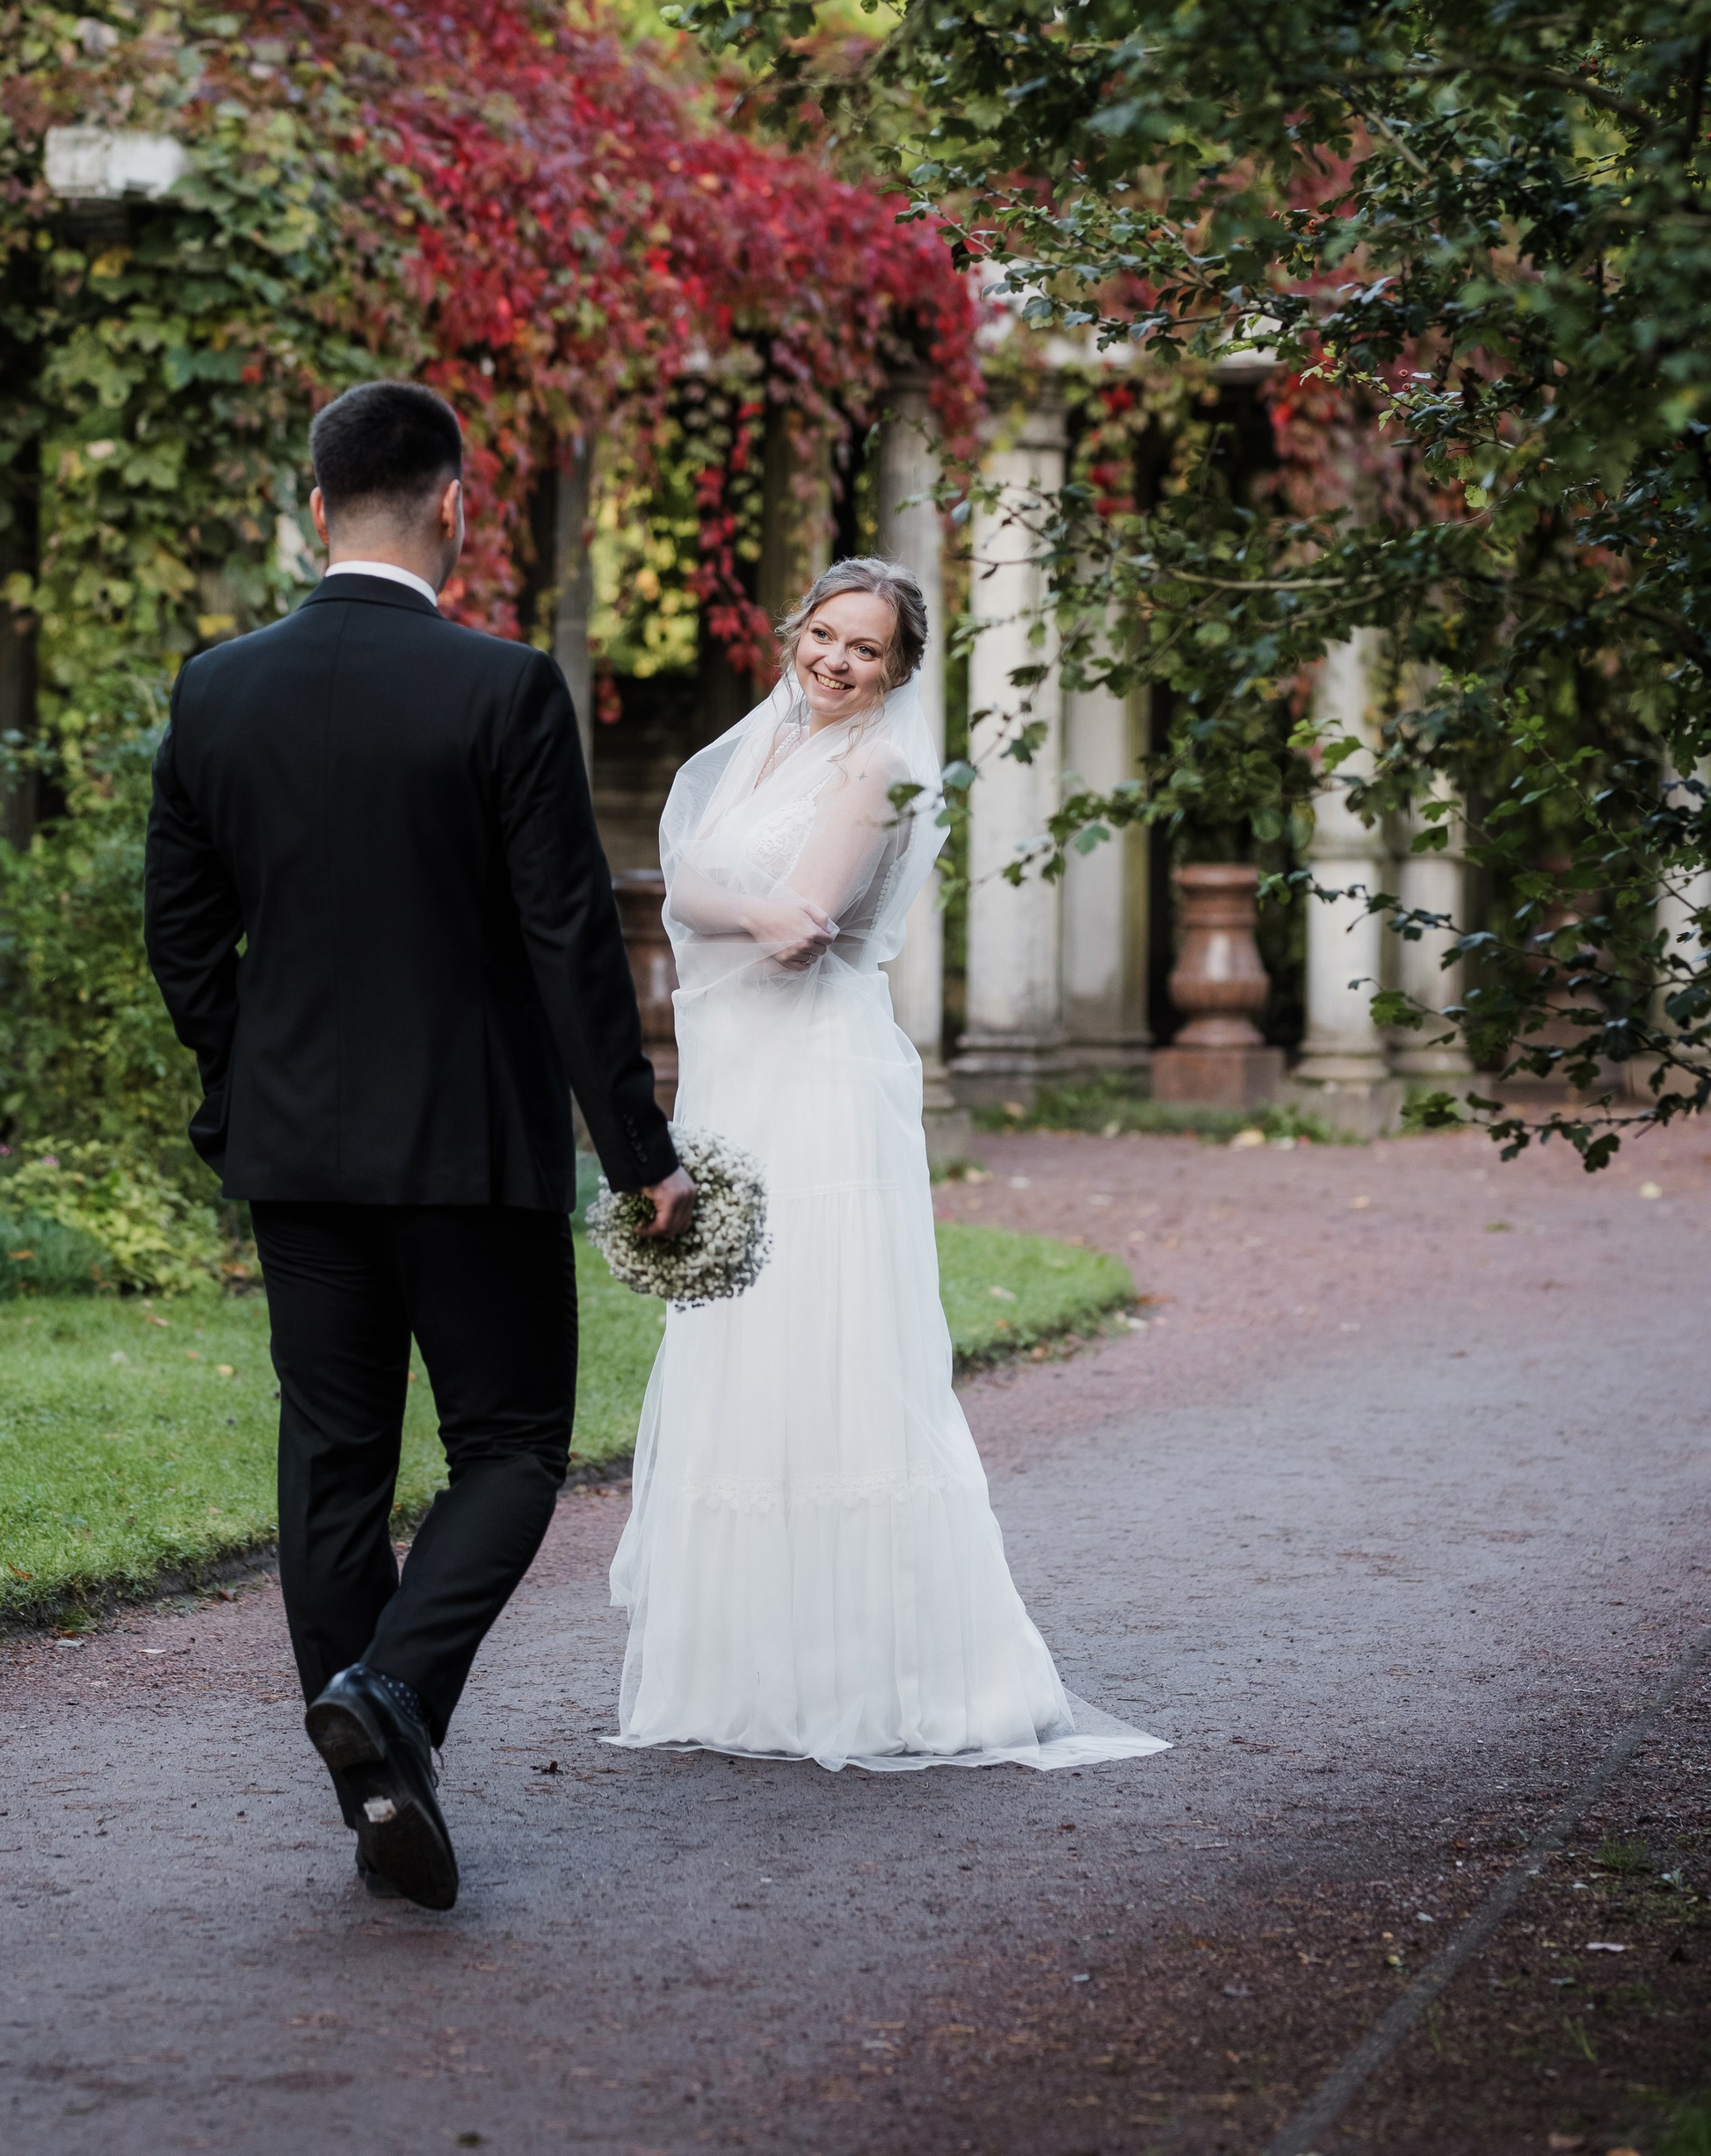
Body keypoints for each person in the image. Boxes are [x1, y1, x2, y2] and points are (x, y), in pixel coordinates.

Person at [144, 378, 694, 1907]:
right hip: (469, 1147)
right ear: (456, 506)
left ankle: (379, 1780)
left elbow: (183, 940)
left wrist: (235, 1089)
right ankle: (390, 1707)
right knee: (511, 1447)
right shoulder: (505, 689)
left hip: (295, 1145)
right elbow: (572, 944)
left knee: (333, 1457)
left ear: (314, 506)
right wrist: (642, 1151)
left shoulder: (217, 688)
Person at [608, 555, 1168, 1775]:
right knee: (739, 1349)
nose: (836, 661)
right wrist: (728, 907)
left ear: (899, 669)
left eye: (865, 649)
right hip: (734, 1077)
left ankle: (883, 1671)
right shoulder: (763, 748)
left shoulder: (880, 767)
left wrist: (724, 905)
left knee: (826, 1346)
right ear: (793, 631)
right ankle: (750, 1673)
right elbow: (691, 895)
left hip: (814, 1086)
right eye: (824, 634)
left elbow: (799, 931)